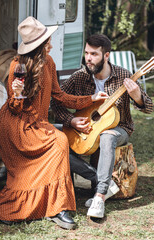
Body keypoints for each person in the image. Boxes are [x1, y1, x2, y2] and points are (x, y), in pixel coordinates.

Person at [0, 17, 108, 229]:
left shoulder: (49, 62)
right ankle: (54, 207)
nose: (51, 45)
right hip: (16, 125)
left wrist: (91, 98)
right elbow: (14, 108)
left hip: (38, 123)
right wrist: (17, 95)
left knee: (58, 142)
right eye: (47, 42)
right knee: (58, 142)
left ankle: (57, 208)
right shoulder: (17, 66)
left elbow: (59, 95)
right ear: (37, 47)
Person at [51, 34, 153, 219]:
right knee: (52, 137)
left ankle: (99, 196)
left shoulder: (123, 74)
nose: (88, 58)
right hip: (83, 129)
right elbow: (57, 102)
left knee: (107, 135)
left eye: (94, 54)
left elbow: (149, 107)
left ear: (106, 55)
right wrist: (71, 120)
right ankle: (100, 180)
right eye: (87, 53)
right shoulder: (79, 77)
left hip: (119, 128)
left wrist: (137, 96)